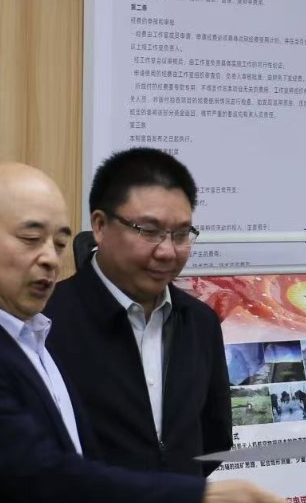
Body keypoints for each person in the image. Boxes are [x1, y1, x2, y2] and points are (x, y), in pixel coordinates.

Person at [0, 162, 291, 503]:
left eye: (59, 243)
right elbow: (45, 477)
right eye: (31, 239)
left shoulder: (30, 335)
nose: (49, 258)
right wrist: (195, 500)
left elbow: (208, 435)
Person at [46, 148, 230, 478]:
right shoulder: (47, 322)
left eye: (181, 234)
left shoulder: (201, 322)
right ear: (100, 226)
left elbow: (213, 441)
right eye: (148, 230)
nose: (167, 251)